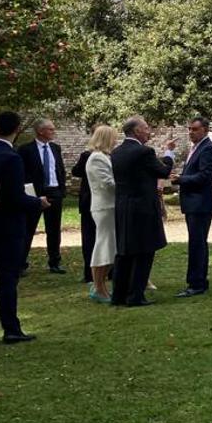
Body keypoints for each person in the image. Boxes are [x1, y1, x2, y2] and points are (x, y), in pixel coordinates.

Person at [0, 111, 43, 343]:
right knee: (8, 277)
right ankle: (11, 327)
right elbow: (15, 197)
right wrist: (38, 202)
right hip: (8, 223)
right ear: (17, 129)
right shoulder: (11, 157)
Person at [110, 116, 176, 307]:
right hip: (142, 209)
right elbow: (162, 171)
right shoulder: (144, 151)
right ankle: (135, 296)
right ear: (137, 131)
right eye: (146, 128)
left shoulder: (117, 152)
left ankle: (118, 295)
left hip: (123, 206)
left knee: (124, 252)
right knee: (144, 251)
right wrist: (169, 153)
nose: (149, 131)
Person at [174, 116, 212, 298]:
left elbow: (204, 177)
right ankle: (199, 280)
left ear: (205, 130)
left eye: (194, 129)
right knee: (197, 242)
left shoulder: (208, 149)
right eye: (189, 129)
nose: (191, 132)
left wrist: (180, 179)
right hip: (193, 203)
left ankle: (196, 283)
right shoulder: (196, 148)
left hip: (200, 203)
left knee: (197, 243)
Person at [19, 117, 66, 274]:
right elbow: (23, 174)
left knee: (54, 229)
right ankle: (21, 263)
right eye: (50, 129)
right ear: (40, 131)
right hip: (36, 194)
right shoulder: (26, 150)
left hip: (54, 191)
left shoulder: (55, 148)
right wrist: (30, 195)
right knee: (28, 228)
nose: (53, 132)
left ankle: (55, 261)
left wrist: (61, 190)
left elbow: (59, 169)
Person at [84, 125, 117, 303]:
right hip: (104, 208)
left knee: (110, 248)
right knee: (104, 246)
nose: (116, 141)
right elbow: (108, 183)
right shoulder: (97, 158)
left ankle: (101, 285)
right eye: (113, 138)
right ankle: (98, 286)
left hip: (110, 207)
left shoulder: (104, 157)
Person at [71, 145, 96, 285]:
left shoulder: (111, 155)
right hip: (90, 201)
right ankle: (90, 272)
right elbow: (76, 171)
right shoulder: (87, 155)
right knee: (90, 238)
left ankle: (101, 271)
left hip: (98, 201)